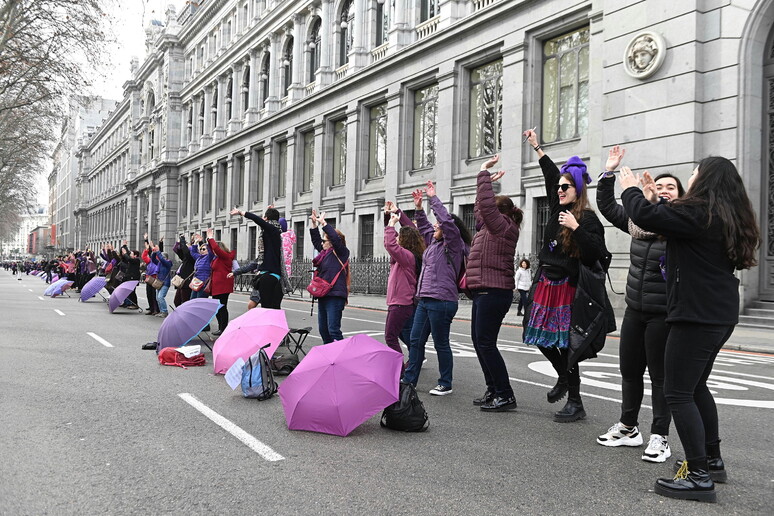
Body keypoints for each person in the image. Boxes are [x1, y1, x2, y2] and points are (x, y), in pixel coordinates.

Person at [619, 157, 760, 503]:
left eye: (695, 171)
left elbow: (647, 218)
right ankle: (711, 461)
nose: (691, 175)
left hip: (695, 316)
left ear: (706, 178)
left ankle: (699, 477)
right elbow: (666, 218)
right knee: (695, 387)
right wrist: (654, 198)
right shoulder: (721, 215)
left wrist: (631, 191)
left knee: (677, 392)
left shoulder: (699, 213)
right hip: (718, 314)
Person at [595, 146, 685, 463]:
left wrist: (650, 201)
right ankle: (629, 427)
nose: (662, 191)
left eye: (669, 188)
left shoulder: (679, 227)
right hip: (635, 309)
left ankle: (660, 436)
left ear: (680, 196)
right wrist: (608, 172)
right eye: (658, 186)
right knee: (630, 371)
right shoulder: (638, 223)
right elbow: (607, 206)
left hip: (664, 314)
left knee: (660, 377)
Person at [522, 129, 609, 422]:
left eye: (565, 187)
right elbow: (550, 174)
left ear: (578, 191)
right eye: (558, 187)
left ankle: (575, 400)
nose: (559, 191)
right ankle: (563, 377)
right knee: (541, 339)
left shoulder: (587, 219)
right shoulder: (557, 202)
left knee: (566, 344)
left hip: (569, 289)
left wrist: (576, 227)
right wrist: (537, 147)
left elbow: (596, 252)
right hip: (546, 284)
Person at [402, 182, 471, 396]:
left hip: (442, 301)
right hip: (425, 299)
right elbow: (423, 227)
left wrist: (434, 198)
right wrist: (419, 208)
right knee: (415, 340)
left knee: (441, 343)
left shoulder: (454, 244)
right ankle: (410, 378)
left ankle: (445, 383)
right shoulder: (433, 244)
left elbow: (447, 223)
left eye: (438, 226)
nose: (435, 227)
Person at [467, 154, 522, 411]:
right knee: (480, 342)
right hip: (483, 291)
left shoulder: (503, 227)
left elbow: (486, 209)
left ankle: (505, 394)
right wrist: (486, 187)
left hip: (494, 291)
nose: (482, 216)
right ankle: (493, 389)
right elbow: (482, 209)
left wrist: (483, 173)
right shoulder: (488, 229)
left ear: (499, 213)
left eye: (490, 212)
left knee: (486, 343)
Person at [382, 200, 426, 366]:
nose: (397, 238)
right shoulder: (405, 256)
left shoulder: (407, 257)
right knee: (403, 334)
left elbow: (390, 244)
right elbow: (390, 243)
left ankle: (399, 367)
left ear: (405, 241)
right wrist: (389, 218)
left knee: (390, 337)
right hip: (400, 302)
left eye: (400, 236)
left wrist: (392, 224)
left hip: (401, 303)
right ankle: (416, 358)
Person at [309, 209, 350, 343]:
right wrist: (314, 224)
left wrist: (324, 223)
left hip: (335, 295)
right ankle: (330, 356)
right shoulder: (324, 254)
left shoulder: (341, 253)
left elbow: (335, 238)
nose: (322, 243)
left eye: (324, 240)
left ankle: (343, 356)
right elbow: (316, 241)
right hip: (323, 294)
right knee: (324, 330)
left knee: (333, 330)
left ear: (331, 242)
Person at [230, 206, 284, 309]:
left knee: (267, 308)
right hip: (273, 275)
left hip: (268, 276)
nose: (263, 219)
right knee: (273, 308)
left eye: (264, 217)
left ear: (267, 219)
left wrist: (241, 212)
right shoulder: (276, 230)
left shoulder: (271, 229)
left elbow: (258, 220)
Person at [207, 228, 236, 335]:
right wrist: (207, 240)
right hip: (217, 286)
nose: (214, 252)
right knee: (217, 308)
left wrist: (211, 238)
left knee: (222, 307)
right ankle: (221, 327)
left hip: (223, 286)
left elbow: (215, 248)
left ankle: (223, 328)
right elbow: (212, 249)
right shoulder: (217, 258)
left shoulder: (225, 257)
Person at [172, 234, 196, 307]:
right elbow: (177, 250)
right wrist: (179, 242)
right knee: (177, 301)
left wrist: (182, 241)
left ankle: (186, 317)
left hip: (187, 281)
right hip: (182, 281)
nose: (191, 241)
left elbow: (186, 252)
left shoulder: (194, 255)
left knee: (185, 302)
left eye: (193, 239)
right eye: (191, 239)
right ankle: (181, 315)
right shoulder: (186, 256)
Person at [189, 235, 214, 300]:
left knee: (199, 301)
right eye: (200, 249)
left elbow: (211, 251)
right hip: (196, 283)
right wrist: (195, 242)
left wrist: (209, 240)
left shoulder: (209, 257)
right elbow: (193, 252)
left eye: (204, 249)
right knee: (192, 300)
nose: (202, 250)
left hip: (204, 283)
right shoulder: (199, 257)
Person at [119, 241, 142, 310]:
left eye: (132, 254)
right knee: (131, 291)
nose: (130, 255)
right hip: (130, 277)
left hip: (133, 278)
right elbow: (128, 255)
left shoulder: (136, 260)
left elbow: (128, 257)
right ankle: (132, 303)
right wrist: (124, 246)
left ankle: (135, 304)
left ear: (135, 255)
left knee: (132, 291)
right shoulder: (132, 260)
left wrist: (125, 253)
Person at [142, 235, 161, 315]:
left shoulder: (158, 259)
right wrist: (146, 241)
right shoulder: (149, 260)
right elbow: (143, 256)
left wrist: (160, 243)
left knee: (154, 295)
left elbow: (159, 251)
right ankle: (151, 309)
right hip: (149, 278)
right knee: (149, 294)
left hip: (155, 278)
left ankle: (156, 309)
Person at [152, 248, 173, 318]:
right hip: (159, 282)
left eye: (163, 257)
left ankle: (164, 311)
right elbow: (153, 259)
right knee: (157, 298)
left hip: (165, 283)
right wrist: (154, 252)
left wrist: (158, 252)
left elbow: (162, 260)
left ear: (166, 258)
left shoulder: (168, 263)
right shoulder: (159, 263)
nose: (160, 259)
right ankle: (161, 311)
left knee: (160, 297)